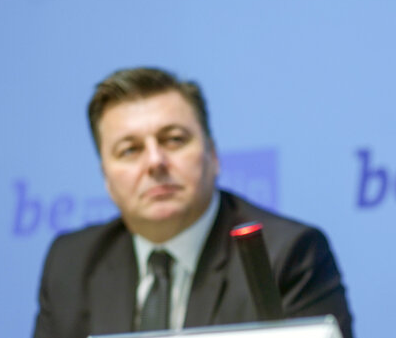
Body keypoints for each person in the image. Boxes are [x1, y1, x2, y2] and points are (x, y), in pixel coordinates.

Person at [33, 67, 353, 338]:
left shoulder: (286, 255)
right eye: (130, 150)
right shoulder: (71, 265)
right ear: (106, 177)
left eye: (174, 140)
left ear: (213, 156)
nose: (155, 162)